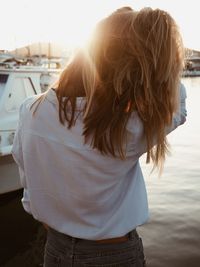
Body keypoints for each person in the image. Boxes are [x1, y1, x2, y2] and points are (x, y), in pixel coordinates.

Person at [12, 6, 186, 267]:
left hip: (55, 250)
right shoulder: (129, 129)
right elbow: (178, 108)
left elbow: (28, 183)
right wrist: (160, 66)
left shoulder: (30, 111)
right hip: (114, 255)